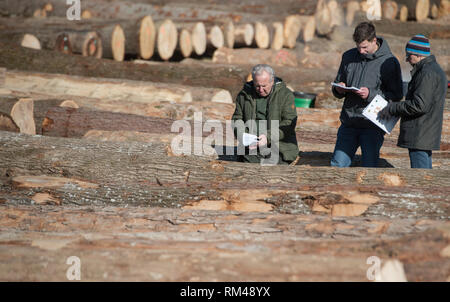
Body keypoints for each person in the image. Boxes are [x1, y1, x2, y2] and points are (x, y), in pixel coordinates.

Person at [331, 22, 403, 168]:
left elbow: (396, 95)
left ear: (374, 40)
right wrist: (339, 89)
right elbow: (338, 82)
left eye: (364, 47)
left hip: (372, 125)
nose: (361, 51)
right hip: (349, 122)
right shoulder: (348, 56)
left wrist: (371, 94)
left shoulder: (389, 62)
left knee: (368, 168)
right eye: (358, 47)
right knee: (337, 166)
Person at [378, 35, 447, 169]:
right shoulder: (431, 70)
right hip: (423, 133)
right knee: (425, 176)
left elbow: (419, 105)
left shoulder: (426, 73)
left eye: (409, 55)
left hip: (420, 134)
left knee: (421, 178)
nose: (407, 59)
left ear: (418, 54)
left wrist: (392, 107)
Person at [231, 64, 299, 165]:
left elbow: (289, 122)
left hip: (280, 146)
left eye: (264, 86)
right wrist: (243, 136)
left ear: (272, 81)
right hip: (252, 146)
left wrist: (267, 137)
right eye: (257, 86)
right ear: (253, 81)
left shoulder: (285, 95)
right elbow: (237, 119)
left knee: (273, 166)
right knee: (248, 166)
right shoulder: (244, 95)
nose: (261, 89)